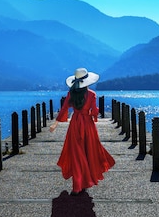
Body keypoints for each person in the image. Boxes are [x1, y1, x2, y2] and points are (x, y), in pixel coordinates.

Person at [49, 67, 115, 195]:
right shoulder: (91, 94)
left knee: (76, 153)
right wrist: (94, 114)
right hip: (88, 125)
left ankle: (77, 185)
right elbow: (94, 111)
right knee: (88, 151)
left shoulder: (71, 94)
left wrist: (55, 124)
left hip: (75, 124)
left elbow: (64, 110)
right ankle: (83, 182)